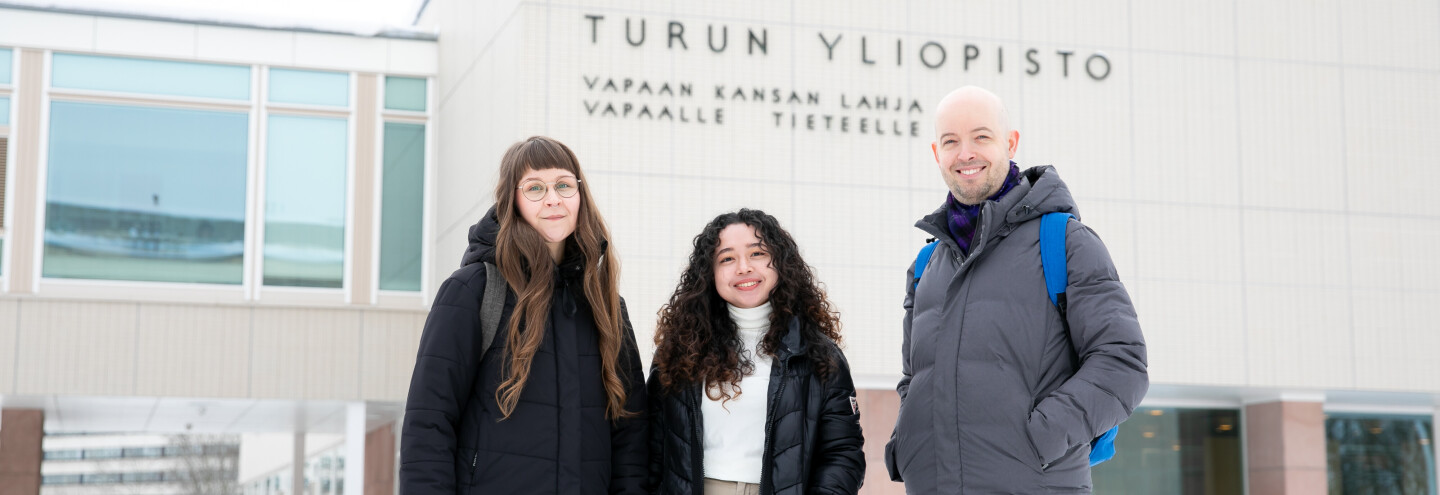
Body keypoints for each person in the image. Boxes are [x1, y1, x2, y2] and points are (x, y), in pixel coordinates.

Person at [885, 86, 1149, 493]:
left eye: (981, 136)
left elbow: (1122, 364)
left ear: (1010, 143)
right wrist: (908, 442)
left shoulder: (1064, 241)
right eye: (951, 141)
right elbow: (913, 377)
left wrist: (1040, 436)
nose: (966, 152)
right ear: (937, 154)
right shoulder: (926, 267)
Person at [399, 136, 647, 494]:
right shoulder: (474, 291)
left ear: (580, 195)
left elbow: (631, 440)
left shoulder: (605, 304)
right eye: (535, 188)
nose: (553, 198)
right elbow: (428, 426)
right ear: (512, 200)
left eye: (564, 185)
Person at [647, 209, 865, 495]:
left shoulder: (817, 354)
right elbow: (649, 447)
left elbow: (842, 453)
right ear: (709, 273)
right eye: (727, 258)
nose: (743, 267)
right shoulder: (679, 351)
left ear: (780, 263)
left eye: (757, 254)